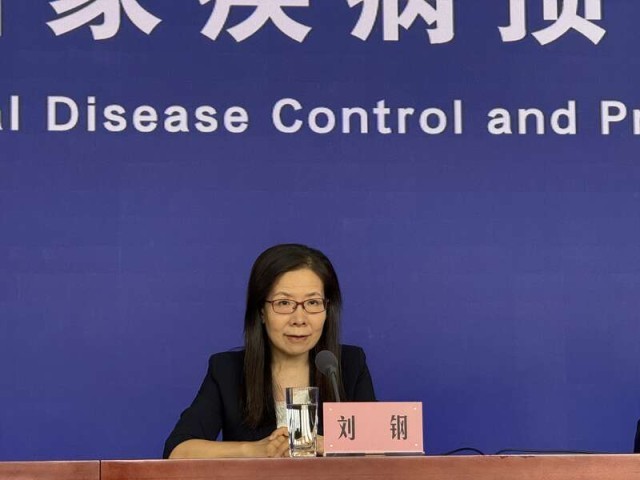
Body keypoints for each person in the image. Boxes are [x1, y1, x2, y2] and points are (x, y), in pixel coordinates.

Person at [163, 243, 376, 458]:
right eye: (284, 303)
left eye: (312, 302)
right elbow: (178, 451)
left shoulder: (348, 365)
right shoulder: (227, 370)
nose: (299, 319)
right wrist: (253, 450)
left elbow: (381, 450)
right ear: (261, 312)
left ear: (327, 308)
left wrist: (330, 444)